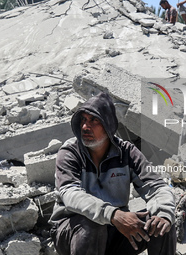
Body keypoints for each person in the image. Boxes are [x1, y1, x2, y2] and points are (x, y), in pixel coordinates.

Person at [49, 92, 177, 255]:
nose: (85, 127)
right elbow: (69, 193)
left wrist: (164, 213)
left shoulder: (127, 152)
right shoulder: (70, 152)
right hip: (72, 232)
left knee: (161, 224)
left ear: (108, 125)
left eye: (94, 120)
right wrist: (113, 214)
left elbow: (157, 187)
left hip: (115, 230)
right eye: (83, 120)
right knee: (92, 225)